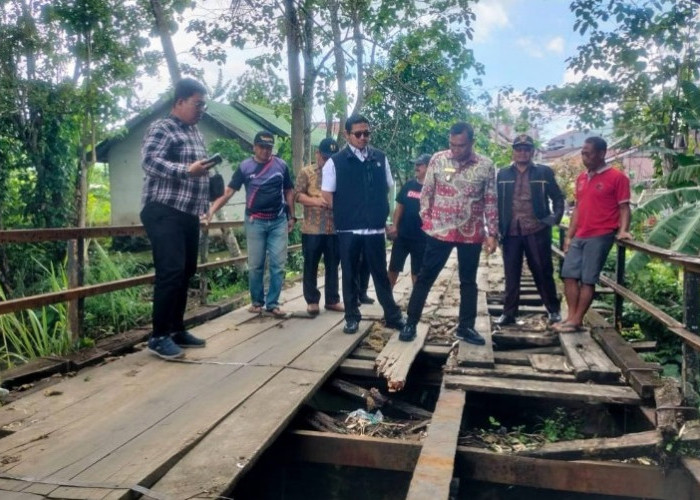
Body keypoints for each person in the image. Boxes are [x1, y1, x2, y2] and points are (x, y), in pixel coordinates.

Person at [400, 122, 498, 343]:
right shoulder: (438, 159)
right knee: (425, 277)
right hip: (440, 232)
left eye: (461, 145)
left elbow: (491, 200)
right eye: (452, 144)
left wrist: (492, 232)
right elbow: (427, 193)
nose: (455, 150)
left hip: (471, 233)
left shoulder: (486, 165)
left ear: (472, 142)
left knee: (468, 281)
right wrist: (427, 220)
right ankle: (410, 323)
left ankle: (466, 327)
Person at [140, 78, 210, 360]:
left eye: (204, 104)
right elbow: (149, 161)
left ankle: (176, 328)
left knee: (186, 270)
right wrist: (186, 170)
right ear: (180, 102)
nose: (201, 109)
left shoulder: (196, 132)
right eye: (197, 103)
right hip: (163, 209)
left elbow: (197, 170)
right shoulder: (162, 127)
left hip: (188, 212)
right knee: (170, 270)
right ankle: (158, 336)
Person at [321, 114, 405, 334]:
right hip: (348, 229)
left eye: (366, 133)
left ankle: (393, 316)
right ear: (347, 135)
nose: (363, 137)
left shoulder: (379, 158)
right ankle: (351, 317)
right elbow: (327, 194)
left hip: (374, 229)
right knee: (349, 274)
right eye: (358, 134)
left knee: (380, 274)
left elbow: (386, 187)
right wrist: (347, 210)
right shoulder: (335, 162)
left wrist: (375, 211)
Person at [207, 131, 296, 318]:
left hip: (278, 220)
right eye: (262, 147)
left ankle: (272, 303)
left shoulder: (281, 165)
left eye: (269, 148)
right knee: (256, 264)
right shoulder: (245, 167)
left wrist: (292, 216)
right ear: (254, 147)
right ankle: (256, 302)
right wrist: (212, 210)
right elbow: (229, 191)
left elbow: (289, 190)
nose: (265, 151)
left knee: (278, 265)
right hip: (255, 221)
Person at [555, 137, 632, 333]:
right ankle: (571, 317)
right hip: (580, 234)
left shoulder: (617, 178)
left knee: (588, 279)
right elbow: (578, 209)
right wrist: (569, 236)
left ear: (601, 153)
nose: (584, 157)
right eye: (583, 153)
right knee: (569, 275)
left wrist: (623, 230)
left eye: (588, 153)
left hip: (601, 234)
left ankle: (577, 319)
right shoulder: (581, 178)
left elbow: (624, 207)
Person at [494, 134, 564, 326]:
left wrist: (553, 219)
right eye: (518, 149)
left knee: (542, 270)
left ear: (532, 151)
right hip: (511, 231)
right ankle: (509, 313)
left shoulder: (544, 172)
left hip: (537, 228)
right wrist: (495, 227)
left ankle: (553, 309)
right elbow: (495, 202)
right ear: (514, 151)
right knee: (511, 272)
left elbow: (558, 198)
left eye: (526, 149)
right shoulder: (503, 174)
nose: (522, 152)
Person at [295, 138, 344, 315]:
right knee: (311, 264)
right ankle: (312, 300)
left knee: (333, 264)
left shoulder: (340, 172)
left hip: (333, 227)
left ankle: (332, 299)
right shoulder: (306, 172)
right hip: (312, 228)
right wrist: (314, 201)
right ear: (317, 154)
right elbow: (297, 195)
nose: (327, 161)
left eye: (331, 158)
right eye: (324, 157)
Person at [388, 153, 430, 287]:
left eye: (419, 165)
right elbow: (399, 207)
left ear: (429, 167)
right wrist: (394, 226)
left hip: (421, 238)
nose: (416, 167)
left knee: (417, 271)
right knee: (394, 267)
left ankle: (416, 301)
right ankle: (387, 297)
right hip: (402, 236)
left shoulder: (432, 189)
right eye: (415, 165)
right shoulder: (409, 185)